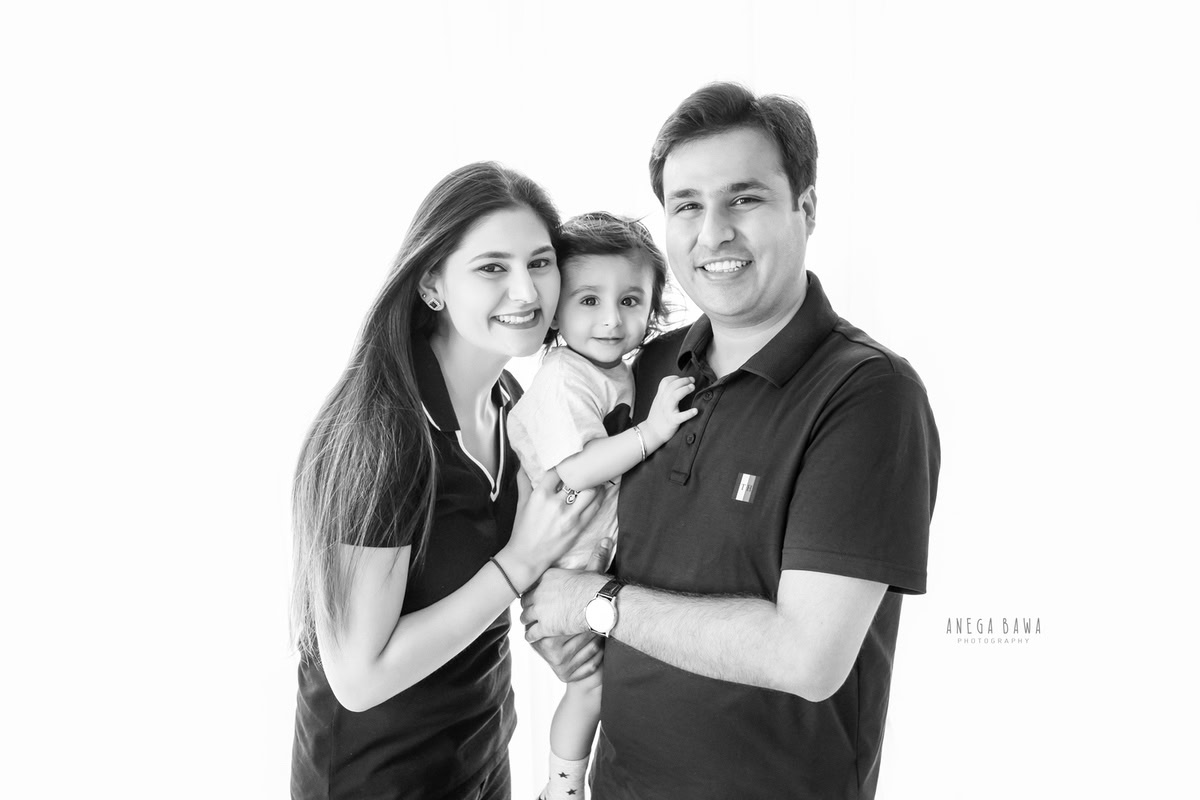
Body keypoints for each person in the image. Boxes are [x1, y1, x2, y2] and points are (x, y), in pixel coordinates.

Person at [520, 83, 941, 798]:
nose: (712, 232)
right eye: (687, 205)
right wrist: (567, 631)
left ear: (805, 209)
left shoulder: (868, 398)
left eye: (743, 199)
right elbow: (580, 520)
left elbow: (807, 656)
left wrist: (597, 602)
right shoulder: (646, 369)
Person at [289, 161, 605, 800]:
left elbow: (484, 585)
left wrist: (550, 630)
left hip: (480, 762)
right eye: (493, 267)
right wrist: (519, 564)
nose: (526, 291)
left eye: (540, 263)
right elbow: (360, 677)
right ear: (432, 283)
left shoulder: (517, 404)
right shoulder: (381, 431)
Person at [506, 212, 696, 800]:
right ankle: (561, 789)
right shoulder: (565, 377)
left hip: (592, 564)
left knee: (615, 684)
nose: (612, 319)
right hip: (561, 573)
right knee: (590, 688)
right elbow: (576, 470)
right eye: (589, 299)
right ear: (557, 307)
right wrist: (653, 432)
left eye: (632, 300)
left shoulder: (617, 370)